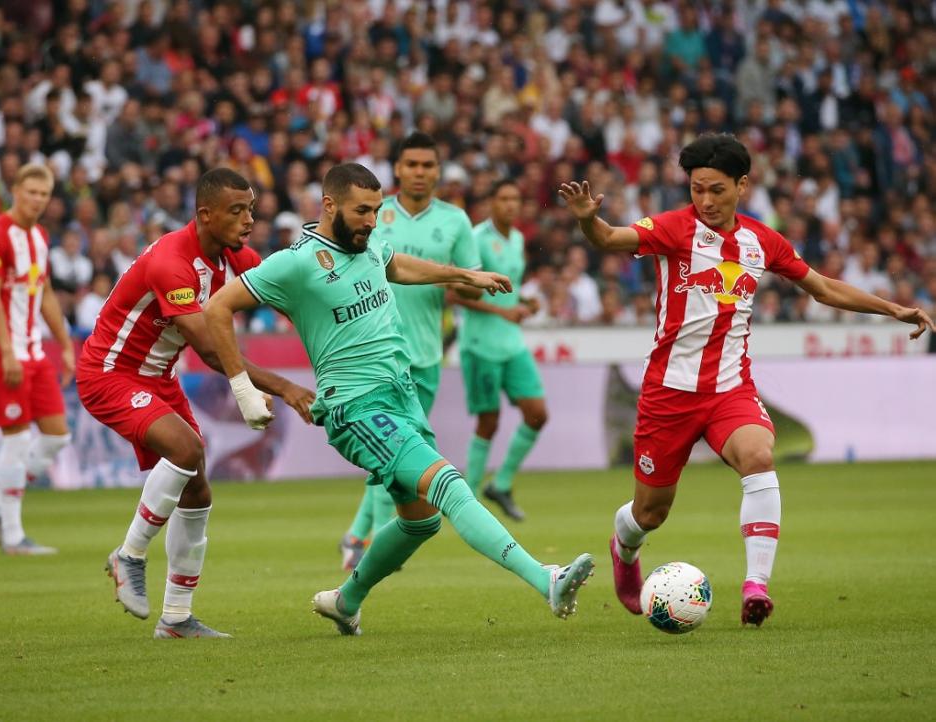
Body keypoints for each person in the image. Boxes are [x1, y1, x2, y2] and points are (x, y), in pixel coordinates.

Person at [558, 134, 935, 627]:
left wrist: (891, 308)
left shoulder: (764, 241)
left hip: (729, 390)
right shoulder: (673, 229)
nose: (706, 201)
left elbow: (822, 288)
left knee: (759, 455)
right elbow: (608, 238)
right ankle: (623, 549)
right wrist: (588, 217)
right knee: (650, 514)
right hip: (668, 393)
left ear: (743, 185)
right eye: (697, 190)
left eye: (716, 190)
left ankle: (756, 585)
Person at [205, 163, 594, 636]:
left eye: (376, 210)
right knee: (447, 484)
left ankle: (345, 600)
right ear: (329, 206)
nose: (372, 220)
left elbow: (399, 265)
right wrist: (245, 389)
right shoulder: (296, 262)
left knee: (420, 521)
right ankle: (546, 579)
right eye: (362, 211)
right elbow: (216, 309)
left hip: (400, 395)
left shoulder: (366, 245)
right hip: (357, 407)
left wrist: (463, 275)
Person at [76, 168, 314, 639]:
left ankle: (177, 618)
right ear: (205, 215)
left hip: (158, 377)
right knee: (186, 451)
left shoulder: (234, 255)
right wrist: (286, 388)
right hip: (110, 373)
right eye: (237, 211)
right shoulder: (172, 262)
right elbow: (211, 350)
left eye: (250, 208)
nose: (249, 219)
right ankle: (128, 555)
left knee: (198, 490)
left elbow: (283, 293)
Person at [338, 131, 481, 570]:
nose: (420, 172)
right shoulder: (373, 218)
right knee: (395, 456)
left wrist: (461, 281)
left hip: (425, 356)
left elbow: (471, 287)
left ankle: (357, 536)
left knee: (396, 452)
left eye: (428, 165)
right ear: (397, 169)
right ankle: (380, 548)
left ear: (438, 171)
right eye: (412, 164)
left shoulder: (455, 221)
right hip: (375, 357)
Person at [448, 180, 547, 520]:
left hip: (511, 342)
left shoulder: (517, 238)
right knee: (488, 421)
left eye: (515, 199)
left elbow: (505, 287)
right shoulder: (474, 239)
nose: (510, 205)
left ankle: (501, 483)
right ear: (490, 202)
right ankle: (468, 498)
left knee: (537, 413)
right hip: (480, 345)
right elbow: (455, 293)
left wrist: (522, 300)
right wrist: (504, 311)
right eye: (503, 198)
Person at [0, 164, 74, 555]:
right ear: (15, 191)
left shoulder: (40, 236)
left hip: (36, 349)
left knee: (58, 436)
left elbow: (42, 294)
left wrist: (65, 344)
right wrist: (7, 350)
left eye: (44, 194)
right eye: (31, 192)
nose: (38, 201)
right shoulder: (0, 233)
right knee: (17, 437)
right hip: (6, 352)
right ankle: (12, 534)